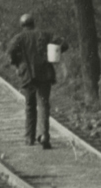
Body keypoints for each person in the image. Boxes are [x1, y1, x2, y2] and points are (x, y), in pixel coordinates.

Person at [5, 13, 67, 149]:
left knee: (30, 106)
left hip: (27, 76)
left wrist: (17, 63)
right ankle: (44, 135)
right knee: (44, 104)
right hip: (45, 73)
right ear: (33, 23)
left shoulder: (19, 38)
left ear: (22, 25)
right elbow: (63, 43)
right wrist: (55, 53)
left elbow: (10, 52)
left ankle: (29, 138)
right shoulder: (44, 34)